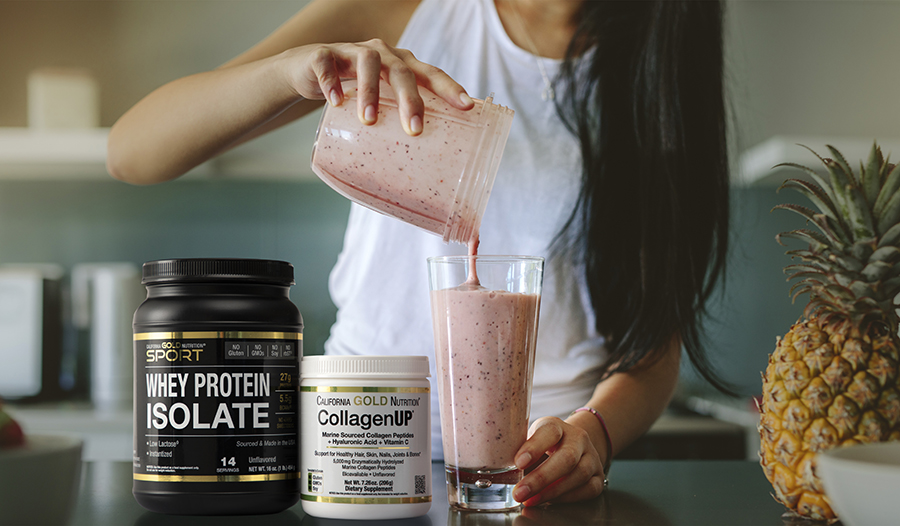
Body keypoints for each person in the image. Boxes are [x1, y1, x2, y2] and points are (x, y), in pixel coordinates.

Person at [108, 0, 730, 507]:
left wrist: (594, 432)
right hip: (355, 454)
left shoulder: (658, 73)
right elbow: (135, 152)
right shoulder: (410, 13)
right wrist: (292, 71)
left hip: (532, 479)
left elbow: (655, 343)